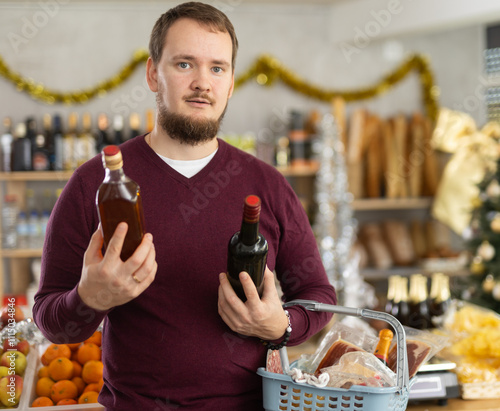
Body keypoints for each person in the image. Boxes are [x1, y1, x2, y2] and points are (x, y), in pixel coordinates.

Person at [33, 2, 336, 410]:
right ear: (153, 74)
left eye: (217, 68)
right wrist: (89, 298)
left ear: (230, 83)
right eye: (184, 65)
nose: (202, 83)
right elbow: (52, 321)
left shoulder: (269, 186)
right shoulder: (94, 184)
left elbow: (318, 296)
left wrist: (280, 325)